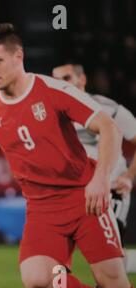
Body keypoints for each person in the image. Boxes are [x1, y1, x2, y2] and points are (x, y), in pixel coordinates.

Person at [0, 23, 136, 288]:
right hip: (42, 210)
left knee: (115, 286)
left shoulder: (53, 90)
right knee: (41, 283)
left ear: (18, 56)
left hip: (85, 200)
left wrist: (100, 179)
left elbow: (110, 129)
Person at [52, 64, 136, 253]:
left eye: (66, 78)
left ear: (82, 80)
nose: (60, 85)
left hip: (110, 191)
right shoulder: (51, 115)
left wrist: (128, 177)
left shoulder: (109, 110)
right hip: (72, 194)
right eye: (55, 81)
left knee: (110, 259)